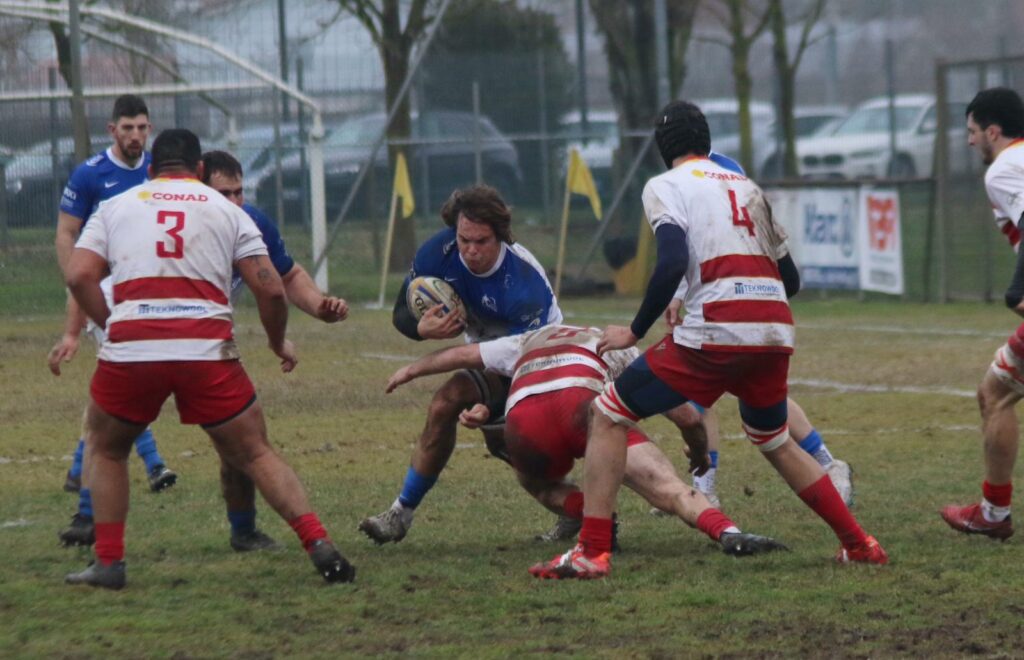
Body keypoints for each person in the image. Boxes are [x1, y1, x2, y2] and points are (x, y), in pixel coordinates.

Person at [530, 100, 887, 580]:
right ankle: (859, 544)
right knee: (776, 440)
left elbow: (672, 261)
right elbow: (791, 279)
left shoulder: (666, 185)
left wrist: (635, 330)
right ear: (708, 141)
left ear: (663, 148)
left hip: (717, 328)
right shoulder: (746, 185)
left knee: (608, 414)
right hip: (774, 329)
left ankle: (592, 552)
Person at [62, 129, 354, 589]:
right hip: (206, 348)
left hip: (134, 347)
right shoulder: (229, 211)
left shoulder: (115, 207)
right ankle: (320, 545)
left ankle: (110, 563)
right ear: (199, 170)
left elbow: (79, 275)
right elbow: (271, 289)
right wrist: (277, 342)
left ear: (151, 169)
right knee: (255, 452)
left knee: (107, 447)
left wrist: (112, 323)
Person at [385, 324, 787, 558]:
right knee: (668, 488)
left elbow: (462, 355)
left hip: (527, 423)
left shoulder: (527, 339)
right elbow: (686, 416)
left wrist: (412, 369)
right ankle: (728, 533)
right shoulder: (617, 347)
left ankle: (591, 514)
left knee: (537, 483)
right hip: (585, 408)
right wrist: (699, 453)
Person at [359, 185, 566, 545]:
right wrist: (420, 329)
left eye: (481, 241)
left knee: (518, 454)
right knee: (452, 407)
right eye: (463, 239)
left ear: (500, 236)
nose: (470, 250)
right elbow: (401, 312)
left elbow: (520, 360)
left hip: (540, 362)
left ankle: (588, 511)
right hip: (485, 355)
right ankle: (400, 514)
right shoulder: (437, 253)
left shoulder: (523, 283)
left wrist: (490, 405)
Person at [202, 150, 349, 551]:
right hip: (154, 340)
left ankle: (244, 531)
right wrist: (276, 342)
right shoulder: (185, 223)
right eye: (223, 194)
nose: (234, 202)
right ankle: (89, 520)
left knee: (239, 437)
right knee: (110, 437)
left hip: (203, 346)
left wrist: (319, 306)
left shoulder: (250, 222)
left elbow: (286, 276)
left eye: (239, 192)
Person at [49, 95, 176, 549]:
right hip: (104, 294)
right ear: (112, 130)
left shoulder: (157, 170)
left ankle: (82, 478)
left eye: (142, 127)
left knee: (114, 397)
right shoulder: (90, 174)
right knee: (123, 391)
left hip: (144, 292)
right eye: (128, 128)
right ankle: (151, 465)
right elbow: (66, 233)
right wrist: (76, 288)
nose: (136, 136)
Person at [941, 87, 1024, 540]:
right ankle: (993, 512)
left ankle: (993, 514)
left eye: (973, 131)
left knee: (996, 395)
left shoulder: (1005, 168)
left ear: (993, 131)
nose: (970, 141)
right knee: (997, 391)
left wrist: (1016, 291)